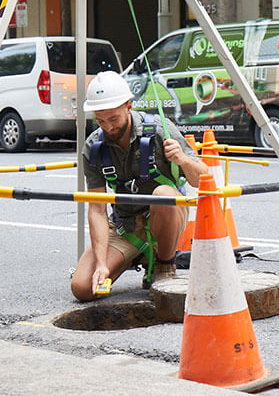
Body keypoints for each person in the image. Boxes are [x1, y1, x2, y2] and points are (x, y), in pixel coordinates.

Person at [71, 70, 207, 301]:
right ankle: (135, 256)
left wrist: (183, 160)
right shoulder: (94, 147)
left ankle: (164, 264)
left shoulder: (159, 130)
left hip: (166, 216)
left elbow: (203, 179)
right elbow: (97, 209)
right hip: (125, 226)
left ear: (129, 106)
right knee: (82, 288)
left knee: (162, 194)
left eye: (114, 119)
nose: (108, 127)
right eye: (101, 120)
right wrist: (102, 263)